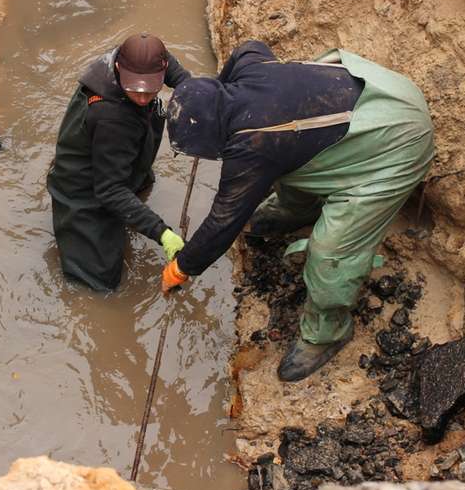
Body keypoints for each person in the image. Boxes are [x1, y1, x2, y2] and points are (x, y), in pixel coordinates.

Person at [160, 40, 434, 381]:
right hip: (385, 89)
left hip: (399, 141)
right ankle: (297, 209)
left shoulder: (251, 147)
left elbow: (223, 221)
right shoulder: (249, 69)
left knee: (330, 252)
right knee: (291, 144)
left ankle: (327, 333)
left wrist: (182, 267)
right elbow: (249, 47)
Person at [47, 33, 190, 291]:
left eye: (150, 89)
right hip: (84, 186)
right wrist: (162, 232)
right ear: (118, 68)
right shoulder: (110, 117)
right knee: (98, 281)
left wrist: (192, 93)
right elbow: (110, 190)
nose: (143, 98)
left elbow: (170, 68)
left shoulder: (131, 58)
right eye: (135, 89)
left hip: (113, 153)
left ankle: (133, 194)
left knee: (139, 184)